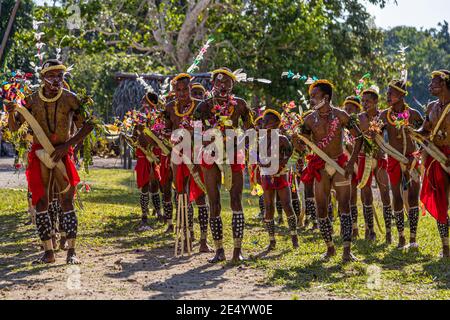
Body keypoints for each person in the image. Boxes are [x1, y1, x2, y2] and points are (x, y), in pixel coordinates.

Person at [6, 59, 94, 264]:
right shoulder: (30, 100)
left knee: (66, 201)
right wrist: (11, 113)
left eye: (60, 76)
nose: (57, 80)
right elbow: (13, 128)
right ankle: (48, 252)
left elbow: (88, 125)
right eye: (52, 76)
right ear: (43, 78)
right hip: (39, 154)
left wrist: (67, 145)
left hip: (63, 155)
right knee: (41, 201)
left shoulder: (71, 99)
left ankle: (72, 252)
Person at [294, 80, 363, 262]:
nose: (311, 100)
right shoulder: (309, 119)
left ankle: (347, 250)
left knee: (345, 206)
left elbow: (359, 138)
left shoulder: (341, 115)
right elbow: (303, 144)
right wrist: (299, 143)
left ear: (326, 97)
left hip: (340, 164)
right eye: (310, 97)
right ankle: (330, 248)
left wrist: (351, 163)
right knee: (321, 208)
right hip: (320, 167)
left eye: (314, 96)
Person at [195, 67, 254, 263]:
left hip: (232, 154)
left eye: (226, 83)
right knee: (214, 202)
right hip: (210, 156)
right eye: (219, 83)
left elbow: (250, 130)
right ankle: (219, 250)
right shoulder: (203, 106)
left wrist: (243, 143)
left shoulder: (240, 105)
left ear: (232, 85)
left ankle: (237, 251)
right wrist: (205, 141)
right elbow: (196, 134)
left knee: (236, 200)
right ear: (213, 84)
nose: (222, 86)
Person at [164, 73, 212, 253]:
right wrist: (171, 138)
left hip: (198, 152)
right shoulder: (169, 107)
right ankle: (187, 234)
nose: (182, 93)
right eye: (178, 90)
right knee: (181, 194)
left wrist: (195, 132)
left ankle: (203, 240)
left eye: (185, 89)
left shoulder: (201, 106)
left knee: (200, 194)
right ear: (174, 91)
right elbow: (166, 129)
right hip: (178, 154)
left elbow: (209, 128)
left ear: (190, 88)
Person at [379, 79, 423, 249]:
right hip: (394, 160)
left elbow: (425, 138)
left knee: (413, 197)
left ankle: (413, 238)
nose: (388, 96)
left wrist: (418, 153)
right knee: (396, 197)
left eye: (391, 93)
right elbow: (376, 138)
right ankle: (401, 237)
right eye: (387, 92)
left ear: (402, 95)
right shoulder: (384, 115)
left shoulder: (414, 115)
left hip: (411, 160)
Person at [417, 70, 450, 257]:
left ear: (444, 84)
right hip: (437, 156)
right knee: (440, 200)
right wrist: (414, 132)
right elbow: (425, 128)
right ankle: (445, 248)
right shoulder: (431, 106)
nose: (430, 86)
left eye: (434, 83)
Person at [259, 109, 299, 250]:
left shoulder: (282, 139)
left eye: (269, 121)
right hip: (266, 176)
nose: (266, 124)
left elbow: (291, 156)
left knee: (287, 205)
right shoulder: (261, 140)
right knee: (269, 207)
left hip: (281, 175)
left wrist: (281, 162)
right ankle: (271, 240)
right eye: (264, 121)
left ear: (277, 123)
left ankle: (294, 237)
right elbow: (258, 158)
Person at [358, 88, 393, 243]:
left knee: (385, 193)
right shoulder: (359, 118)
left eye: (368, 101)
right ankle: (370, 230)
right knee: (366, 195)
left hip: (379, 159)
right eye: (363, 101)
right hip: (363, 158)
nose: (365, 104)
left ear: (376, 102)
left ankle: (389, 232)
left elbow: (390, 136)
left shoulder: (384, 116)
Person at [342, 96, 362, 239]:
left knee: (353, 196)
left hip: (356, 164)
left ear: (357, 110)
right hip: (341, 163)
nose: (347, 111)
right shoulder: (340, 123)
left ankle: (355, 227)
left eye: (350, 109)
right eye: (346, 109)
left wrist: (350, 148)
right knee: (342, 197)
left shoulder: (360, 124)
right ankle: (345, 228)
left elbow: (360, 143)